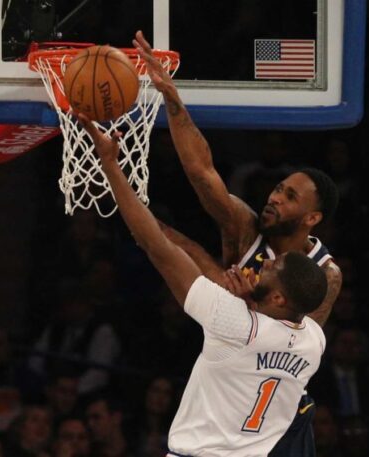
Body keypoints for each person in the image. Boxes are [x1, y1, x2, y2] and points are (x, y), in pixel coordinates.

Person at [133, 30, 343, 455]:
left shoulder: (326, 274)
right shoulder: (245, 227)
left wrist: (245, 306)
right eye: (278, 188)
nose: (274, 197)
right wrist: (172, 99)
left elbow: (287, 346)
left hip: (279, 412)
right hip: (231, 381)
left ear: (312, 218)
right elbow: (201, 170)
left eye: (288, 197)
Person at [79, 114, 328, 455]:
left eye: (272, 267)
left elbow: (156, 244)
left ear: (279, 297)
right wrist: (252, 306)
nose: (265, 262)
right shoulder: (313, 343)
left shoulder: (234, 322)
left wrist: (110, 164)